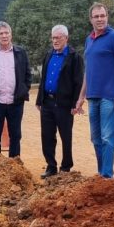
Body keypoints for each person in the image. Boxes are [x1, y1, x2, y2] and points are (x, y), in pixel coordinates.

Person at [75, 2, 114, 178]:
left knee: (107, 138)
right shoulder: (89, 40)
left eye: (103, 15)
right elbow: (88, 70)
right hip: (93, 96)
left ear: (107, 17)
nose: (100, 19)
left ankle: (107, 175)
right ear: (90, 19)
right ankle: (101, 174)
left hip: (109, 96)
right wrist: (82, 95)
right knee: (96, 138)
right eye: (96, 16)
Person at [35, 24, 84, 178]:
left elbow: (78, 82)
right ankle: (51, 166)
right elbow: (43, 79)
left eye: (58, 38)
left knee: (65, 136)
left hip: (64, 104)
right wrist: (39, 99)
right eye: (53, 37)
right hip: (47, 103)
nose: (55, 40)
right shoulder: (48, 55)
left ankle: (66, 167)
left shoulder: (74, 57)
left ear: (66, 38)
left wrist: (75, 104)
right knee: (47, 136)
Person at [0, 21, 32, 158]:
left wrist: (24, 90)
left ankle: (14, 164)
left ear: (11, 34)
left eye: (6, 32)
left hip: (16, 102)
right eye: (1, 33)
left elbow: (28, 74)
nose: (4, 36)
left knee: (16, 135)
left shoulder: (21, 53)